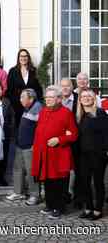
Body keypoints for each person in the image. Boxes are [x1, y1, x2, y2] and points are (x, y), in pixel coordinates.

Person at [32, 85, 78, 219]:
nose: (48, 100)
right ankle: (50, 205)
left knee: (59, 183)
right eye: (46, 97)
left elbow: (74, 134)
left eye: (51, 97)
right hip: (44, 154)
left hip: (59, 154)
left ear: (59, 99)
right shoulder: (43, 111)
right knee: (47, 182)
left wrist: (59, 139)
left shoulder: (66, 113)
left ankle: (59, 207)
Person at [76, 89, 108, 220]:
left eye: (89, 96)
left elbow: (107, 134)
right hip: (83, 155)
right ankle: (88, 207)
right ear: (80, 99)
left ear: (94, 98)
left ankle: (98, 209)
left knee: (98, 182)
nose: (86, 98)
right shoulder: (80, 115)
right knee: (84, 182)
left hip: (98, 154)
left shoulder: (100, 113)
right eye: (83, 96)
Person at [6, 89, 41, 205]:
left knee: (32, 172)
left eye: (22, 97)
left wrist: (34, 145)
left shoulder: (38, 108)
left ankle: (35, 195)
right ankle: (18, 192)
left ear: (31, 99)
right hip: (20, 145)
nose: (20, 99)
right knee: (17, 169)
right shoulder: (27, 108)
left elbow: (40, 129)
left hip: (30, 146)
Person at [6, 49, 43, 127]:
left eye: (25, 56)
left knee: (32, 127)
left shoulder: (34, 71)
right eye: (21, 56)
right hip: (17, 105)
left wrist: (37, 102)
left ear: (28, 57)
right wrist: (15, 103)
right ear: (18, 58)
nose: (23, 58)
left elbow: (38, 88)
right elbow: (10, 89)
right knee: (19, 127)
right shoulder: (12, 71)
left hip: (32, 105)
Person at [60, 78, 80, 206]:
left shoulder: (79, 98)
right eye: (62, 86)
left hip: (77, 140)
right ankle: (64, 194)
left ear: (72, 87)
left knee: (77, 169)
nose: (65, 88)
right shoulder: (57, 99)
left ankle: (77, 197)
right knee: (63, 168)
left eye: (67, 86)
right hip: (61, 140)